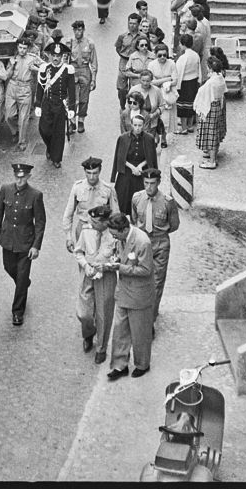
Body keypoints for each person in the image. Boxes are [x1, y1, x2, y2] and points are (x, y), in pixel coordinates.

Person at [0, 162, 46, 326]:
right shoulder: (5, 189)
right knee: (8, 267)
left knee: (21, 278)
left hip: (25, 243)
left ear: (28, 177)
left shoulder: (35, 195)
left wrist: (36, 245)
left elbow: (40, 222)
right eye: (17, 177)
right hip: (8, 239)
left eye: (23, 177)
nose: (19, 180)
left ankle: (17, 311)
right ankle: (24, 284)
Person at [105, 213, 155, 380]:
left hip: (139, 295)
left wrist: (120, 267)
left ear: (125, 229)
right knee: (120, 330)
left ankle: (142, 364)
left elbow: (146, 270)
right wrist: (116, 259)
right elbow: (123, 254)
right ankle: (120, 366)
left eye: (115, 234)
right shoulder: (121, 238)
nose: (113, 237)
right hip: (124, 291)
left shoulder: (143, 242)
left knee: (139, 332)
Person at [130, 170, 180, 326]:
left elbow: (174, 225)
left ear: (158, 182)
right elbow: (134, 219)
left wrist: (160, 233)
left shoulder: (167, 202)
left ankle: (149, 320)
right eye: (146, 183)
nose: (149, 187)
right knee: (140, 278)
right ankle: (139, 311)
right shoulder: (137, 198)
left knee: (157, 282)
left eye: (152, 184)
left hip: (160, 244)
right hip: (142, 243)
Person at [74, 204, 117, 366]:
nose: (92, 224)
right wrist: (85, 266)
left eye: (96, 222)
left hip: (106, 276)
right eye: (91, 220)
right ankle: (88, 333)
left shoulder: (114, 234)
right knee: (83, 313)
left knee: (104, 314)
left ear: (105, 222)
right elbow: (78, 252)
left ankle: (101, 348)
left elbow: (120, 258)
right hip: (89, 274)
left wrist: (108, 266)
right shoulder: (86, 231)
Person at [35, 36, 77, 168]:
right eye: (53, 55)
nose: (55, 58)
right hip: (47, 103)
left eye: (58, 56)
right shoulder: (44, 68)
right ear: (49, 55)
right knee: (44, 129)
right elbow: (40, 87)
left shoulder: (68, 69)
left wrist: (71, 109)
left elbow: (71, 90)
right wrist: (37, 104)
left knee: (58, 133)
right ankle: (49, 147)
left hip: (60, 104)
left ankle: (56, 158)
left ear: (62, 56)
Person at [62, 156, 121, 249]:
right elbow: (68, 213)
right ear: (85, 171)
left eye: (95, 173)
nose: (91, 177)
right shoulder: (77, 187)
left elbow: (116, 214)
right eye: (88, 173)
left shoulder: (108, 189)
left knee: (101, 259)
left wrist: (116, 236)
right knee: (82, 259)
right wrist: (68, 237)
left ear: (100, 171)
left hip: (102, 229)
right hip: (83, 227)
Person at [111, 111, 158, 215]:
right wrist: (132, 167)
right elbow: (120, 157)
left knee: (142, 200)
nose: (137, 128)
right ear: (131, 125)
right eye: (135, 125)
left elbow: (151, 157)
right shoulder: (123, 138)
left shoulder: (149, 138)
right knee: (123, 200)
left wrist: (140, 166)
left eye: (140, 125)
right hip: (127, 171)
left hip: (142, 172)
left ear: (144, 125)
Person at [4, 37, 39, 150]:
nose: (22, 50)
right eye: (20, 48)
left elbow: (45, 67)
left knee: (23, 117)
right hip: (12, 87)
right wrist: (12, 65)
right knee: (9, 115)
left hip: (25, 88)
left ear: (28, 48)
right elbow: (7, 75)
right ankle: (15, 131)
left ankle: (22, 141)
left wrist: (35, 69)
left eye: (24, 48)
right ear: (17, 47)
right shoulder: (13, 58)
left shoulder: (33, 58)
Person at [195, 56, 228, 169]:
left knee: (211, 133)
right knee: (215, 130)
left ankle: (212, 161)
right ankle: (212, 154)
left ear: (210, 68)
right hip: (218, 106)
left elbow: (202, 94)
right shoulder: (220, 78)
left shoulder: (211, 82)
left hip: (210, 107)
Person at [69, 20, 98, 133]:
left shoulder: (90, 43)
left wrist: (94, 79)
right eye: (75, 30)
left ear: (83, 30)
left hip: (85, 70)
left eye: (79, 30)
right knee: (72, 98)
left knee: (84, 99)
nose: (77, 32)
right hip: (73, 69)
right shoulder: (69, 42)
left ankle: (81, 121)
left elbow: (94, 62)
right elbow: (66, 59)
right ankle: (72, 122)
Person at [174, 33, 202, 135]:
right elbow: (198, 69)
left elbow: (178, 72)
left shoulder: (183, 57)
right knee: (191, 104)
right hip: (194, 82)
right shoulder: (196, 55)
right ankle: (190, 126)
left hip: (184, 83)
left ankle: (184, 128)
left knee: (183, 105)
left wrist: (177, 86)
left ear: (183, 44)